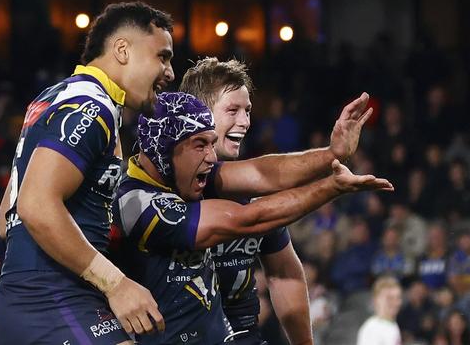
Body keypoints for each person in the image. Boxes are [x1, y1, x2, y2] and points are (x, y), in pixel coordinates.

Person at [112, 92, 393, 343]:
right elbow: (247, 219)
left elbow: (264, 173)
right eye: (200, 145)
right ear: (163, 149)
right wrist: (333, 186)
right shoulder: (137, 203)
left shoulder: (182, 174)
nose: (211, 157)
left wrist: (332, 154)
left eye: (211, 143)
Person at [0, 1, 175, 344]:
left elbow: (7, 219)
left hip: (33, 300)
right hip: (50, 298)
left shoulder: (51, 99)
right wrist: (116, 283)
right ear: (123, 49)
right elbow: (33, 206)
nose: (169, 72)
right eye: (162, 57)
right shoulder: (92, 107)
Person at [179, 57, 374, 344]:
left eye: (247, 111)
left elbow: (284, 273)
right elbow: (263, 173)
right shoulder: (170, 183)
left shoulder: (252, 191)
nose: (245, 122)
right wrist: (332, 156)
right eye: (232, 110)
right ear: (199, 113)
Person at [356, 276, 403, 345]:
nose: (395, 303)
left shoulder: (392, 324)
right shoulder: (372, 328)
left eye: (398, 297)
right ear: (376, 300)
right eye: (389, 298)